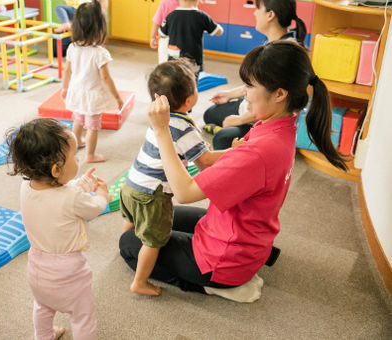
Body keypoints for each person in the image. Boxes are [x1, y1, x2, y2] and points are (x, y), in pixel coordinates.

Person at [120, 41, 347, 303]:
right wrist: (231, 153)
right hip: (241, 230)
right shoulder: (282, 125)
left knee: (128, 244)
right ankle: (243, 261)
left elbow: (183, 192)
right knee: (156, 219)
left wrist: (161, 132)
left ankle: (217, 285)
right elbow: (233, 161)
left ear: (280, 94)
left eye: (250, 86)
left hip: (225, 259)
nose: (245, 94)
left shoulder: (261, 151)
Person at [120, 59, 226, 296]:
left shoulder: (159, 118)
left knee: (132, 221)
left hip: (131, 184)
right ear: (189, 100)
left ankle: (125, 245)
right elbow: (206, 159)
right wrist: (235, 151)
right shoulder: (184, 126)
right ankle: (139, 282)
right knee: (154, 240)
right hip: (154, 195)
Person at [6, 118, 110, 340]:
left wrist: (80, 183)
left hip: (36, 268)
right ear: (56, 169)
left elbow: (57, 195)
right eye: (74, 156)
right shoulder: (71, 197)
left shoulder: (27, 186)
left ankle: (43, 336)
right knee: (83, 315)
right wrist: (102, 194)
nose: (78, 159)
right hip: (69, 272)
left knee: (43, 307)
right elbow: (93, 208)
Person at [203, 0, 307, 150]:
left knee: (222, 138)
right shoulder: (274, 45)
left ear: (270, 15)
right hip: (250, 105)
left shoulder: (283, 54)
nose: (254, 12)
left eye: (258, 8)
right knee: (210, 114)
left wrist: (239, 120)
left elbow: (272, 100)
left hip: (262, 114)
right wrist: (229, 94)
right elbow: (258, 83)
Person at [61, 0, 123, 163]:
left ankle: (76, 146)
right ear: (99, 30)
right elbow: (106, 78)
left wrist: (64, 88)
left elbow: (67, 70)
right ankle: (90, 155)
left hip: (77, 92)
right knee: (93, 127)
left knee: (78, 120)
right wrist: (117, 97)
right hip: (92, 97)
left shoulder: (72, 47)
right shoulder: (100, 53)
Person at [159, 0, 223, 81]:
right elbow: (219, 31)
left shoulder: (171, 16)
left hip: (174, 60)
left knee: (175, 82)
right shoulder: (202, 16)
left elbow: (161, 34)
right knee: (192, 82)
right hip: (193, 60)